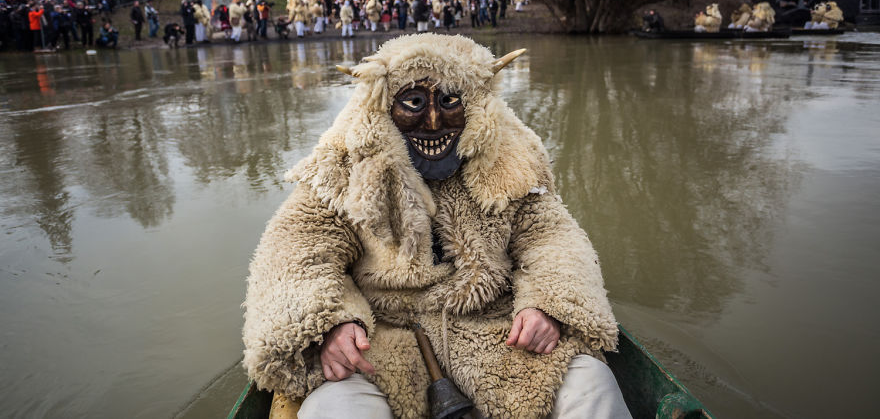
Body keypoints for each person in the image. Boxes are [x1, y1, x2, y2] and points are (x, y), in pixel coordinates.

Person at [243, 34, 630, 419]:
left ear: (474, 103)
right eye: (413, 102)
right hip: (382, 343)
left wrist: (547, 306)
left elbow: (552, 237)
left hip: (498, 333)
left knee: (590, 383)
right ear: (384, 104)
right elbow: (296, 252)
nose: (432, 121)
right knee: (333, 407)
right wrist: (332, 324)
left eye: (449, 102)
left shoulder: (510, 158)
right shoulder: (343, 163)